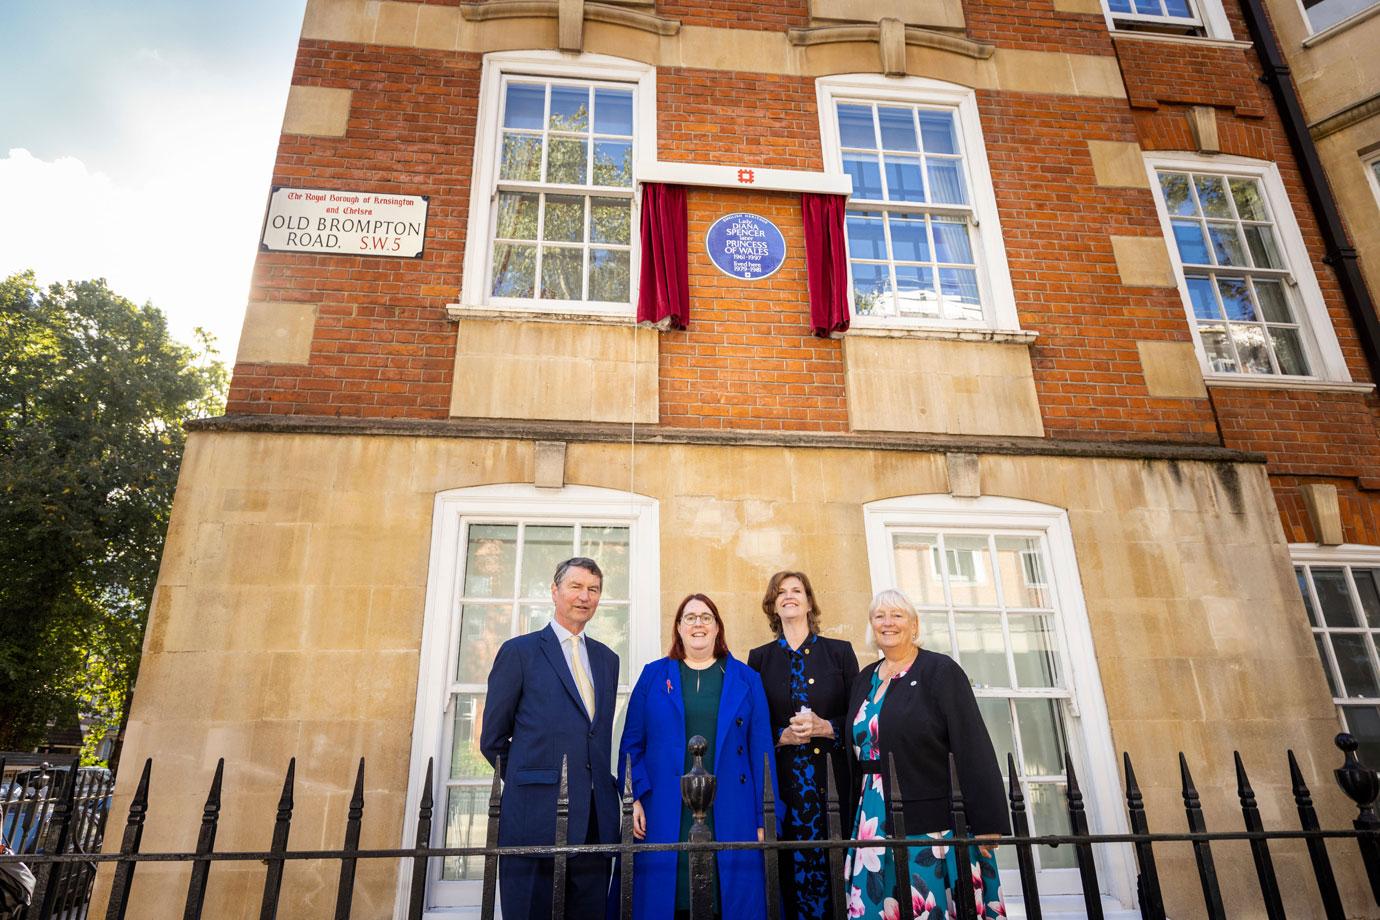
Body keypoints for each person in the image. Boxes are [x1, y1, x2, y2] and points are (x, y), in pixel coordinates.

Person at [844, 589, 1009, 920]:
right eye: (879, 616)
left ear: (914, 625)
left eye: (897, 615)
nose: (887, 623)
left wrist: (989, 821)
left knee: (925, 905)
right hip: (871, 815)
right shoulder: (865, 678)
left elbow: (971, 742)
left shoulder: (940, 670)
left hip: (929, 816)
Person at [617, 594, 777, 920]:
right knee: (667, 899)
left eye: (706, 617)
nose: (698, 623)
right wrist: (632, 798)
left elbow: (763, 752)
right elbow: (632, 744)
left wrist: (765, 817)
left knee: (729, 900)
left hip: (732, 807)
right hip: (663, 806)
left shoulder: (747, 679)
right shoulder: (652, 676)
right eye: (689, 617)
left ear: (718, 627)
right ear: (678, 628)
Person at [480, 557, 620, 920]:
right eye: (575, 587)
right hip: (534, 821)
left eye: (593, 589)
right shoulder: (519, 652)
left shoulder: (607, 659)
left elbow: (594, 737)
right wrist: (534, 782)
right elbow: (493, 739)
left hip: (594, 824)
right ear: (554, 591)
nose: (584, 596)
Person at [746, 571, 859, 920]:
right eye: (781, 592)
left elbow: (858, 718)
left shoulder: (840, 653)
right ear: (773, 605)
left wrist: (827, 727)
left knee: (835, 872)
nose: (789, 596)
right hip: (783, 787)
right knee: (784, 877)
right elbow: (752, 724)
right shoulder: (759, 659)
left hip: (832, 784)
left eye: (797, 590)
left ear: (810, 602)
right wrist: (782, 736)